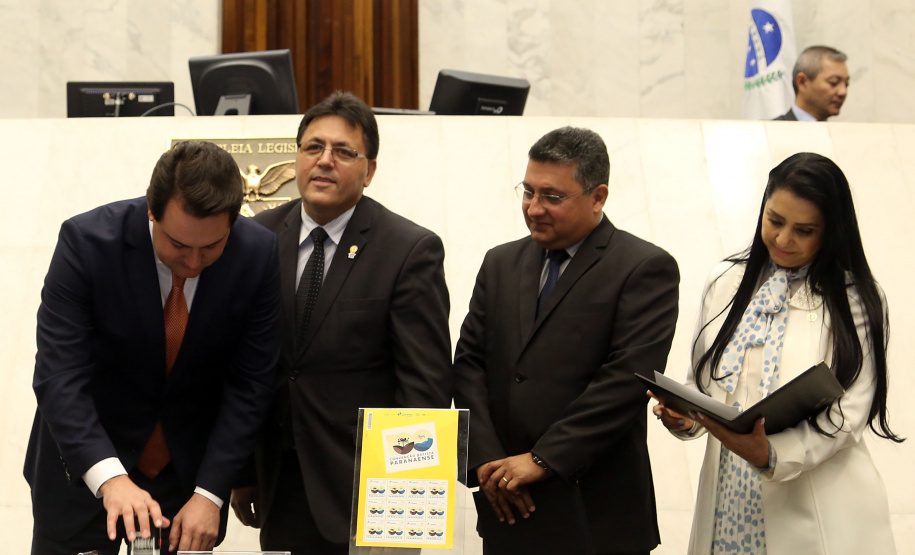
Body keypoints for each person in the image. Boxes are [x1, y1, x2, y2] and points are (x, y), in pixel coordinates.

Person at [24, 140, 282, 555]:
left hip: (184, 480)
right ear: (151, 209)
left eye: (211, 246)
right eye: (179, 245)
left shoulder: (257, 253)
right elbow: (60, 376)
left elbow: (251, 384)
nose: (194, 262)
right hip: (84, 465)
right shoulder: (87, 243)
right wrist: (109, 479)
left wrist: (210, 493)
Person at [230, 91, 452, 555]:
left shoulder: (409, 249)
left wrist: (401, 500)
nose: (324, 161)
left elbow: (424, 385)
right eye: (313, 148)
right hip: (281, 483)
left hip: (366, 490)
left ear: (369, 171)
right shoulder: (256, 236)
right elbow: (242, 365)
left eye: (343, 152)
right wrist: (243, 473)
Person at [652, 152, 901, 554]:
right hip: (729, 496)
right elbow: (703, 386)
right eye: (775, 221)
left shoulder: (855, 298)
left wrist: (772, 454)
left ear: (832, 231)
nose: (784, 240)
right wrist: (684, 419)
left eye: (804, 230)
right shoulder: (727, 281)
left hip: (818, 503)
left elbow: (851, 411)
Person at [452, 126, 680, 554]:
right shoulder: (501, 262)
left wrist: (541, 460)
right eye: (528, 192)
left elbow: (624, 382)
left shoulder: (644, 268)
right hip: (507, 506)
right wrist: (486, 462)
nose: (534, 208)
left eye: (552, 197)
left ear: (598, 197)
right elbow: (468, 365)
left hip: (595, 514)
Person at [774, 46, 849, 121]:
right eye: (834, 83)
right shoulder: (769, 130)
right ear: (802, 82)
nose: (843, 92)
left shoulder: (845, 132)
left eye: (846, 84)